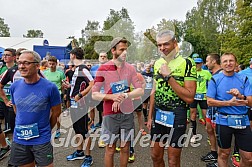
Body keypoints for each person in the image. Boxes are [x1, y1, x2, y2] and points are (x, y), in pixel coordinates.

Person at [147, 30, 196, 167]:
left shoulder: (187, 62)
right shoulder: (157, 63)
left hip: (177, 115)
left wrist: (169, 77)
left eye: (166, 44)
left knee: (173, 160)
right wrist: (150, 116)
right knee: (155, 156)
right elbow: (154, 91)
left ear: (175, 43)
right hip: (158, 114)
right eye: (159, 45)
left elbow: (190, 97)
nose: (162, 48)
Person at [92, 37, 144, 167]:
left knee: (125, 148)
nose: (125, 53)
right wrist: (112, 97)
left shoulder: (131, 68)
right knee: (110, 149)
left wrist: (125, 95)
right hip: (110, 114)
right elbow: (94, 94)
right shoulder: (103, 69)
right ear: (113, 50)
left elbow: (140, 91)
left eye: (126, 50)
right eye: (122, 50)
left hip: (127, 114)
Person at [8, 50, 61, 167]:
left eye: (26, 63)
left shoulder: (50, 87)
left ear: (37, 66)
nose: (21, 66)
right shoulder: (14, 86)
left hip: (41, 140)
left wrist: (46, 129)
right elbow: (17, 110)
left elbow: (56, 112)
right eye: (20, 63)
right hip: (20, 139)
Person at [206, 52, 252, 167]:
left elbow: (250, 102)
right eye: (225, 61)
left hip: (242, 121)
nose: (228, 63)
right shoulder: (215, 79)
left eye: (231, 61)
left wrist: (241, 97)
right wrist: (228, 103)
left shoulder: (244, 78)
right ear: (221, 64)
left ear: (236, 63)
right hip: (223, 120)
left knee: (248, 158)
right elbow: (210, 101)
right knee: (224, 154)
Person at [64, 47, 94, 167]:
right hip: (73, 104)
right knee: (77, 129)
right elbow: (79, 85)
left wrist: (81, 94)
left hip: (81, 105)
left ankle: (88, 157)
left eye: (70, 55)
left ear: (73, 55)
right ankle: (79, 151)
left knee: (84, 131)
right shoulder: (77, 69)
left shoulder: (83, 68)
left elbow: (92, 83)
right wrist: (69, 86)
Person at [201, 53, 222, 167]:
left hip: (218, 111)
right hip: (211, 109)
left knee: (219, 134)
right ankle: (214, 153)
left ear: (214, 61)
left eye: (207, 61)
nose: (206, 63)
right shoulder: (212, 74)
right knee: (209, 129)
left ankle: (219, 160)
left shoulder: (222, 75)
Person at [189, 57, 212, 143]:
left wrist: (209, 94)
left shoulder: (206, 73)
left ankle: (210, 135)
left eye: (198, 63)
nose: (197, 65)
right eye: (195, 63)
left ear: (202, 64)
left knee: (206, 116)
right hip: (193, 96)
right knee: (193, 115)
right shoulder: (190, 73)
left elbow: (211, 84)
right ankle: (194, 135)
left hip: (203, 97)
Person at [43, 56, 66, 139]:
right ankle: (47, 130)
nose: (52, 65)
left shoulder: (60, 73)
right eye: (50, 64)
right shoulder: (44, 73)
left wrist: (64, 94)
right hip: (46, 95)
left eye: (53, 64)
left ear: (56, 64)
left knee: (57, 114)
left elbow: (64, 84)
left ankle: (58, 129)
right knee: (47, 113)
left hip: (58, 94)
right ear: (48, 64)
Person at [0, 48, 16, 160]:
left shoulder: (18, 69)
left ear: (14, 57)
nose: (5, 57)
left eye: (8, 55)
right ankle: (5, 146)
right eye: (4, 55)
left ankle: (16, 155)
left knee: (15, 129)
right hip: (2, 101)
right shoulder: (2, 69)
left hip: (14, 104)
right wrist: (5, 100)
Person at [90, 52, 108, 148]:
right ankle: (93, 127)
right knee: (94, 111)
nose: (102, 58)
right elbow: (92, 81)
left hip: (105, 94)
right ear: (98, 58)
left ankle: (103, 137)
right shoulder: (93, 68)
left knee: (104, 114)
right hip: (95, 94)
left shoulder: (110, 68)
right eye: (101, 56)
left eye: (104, 57)